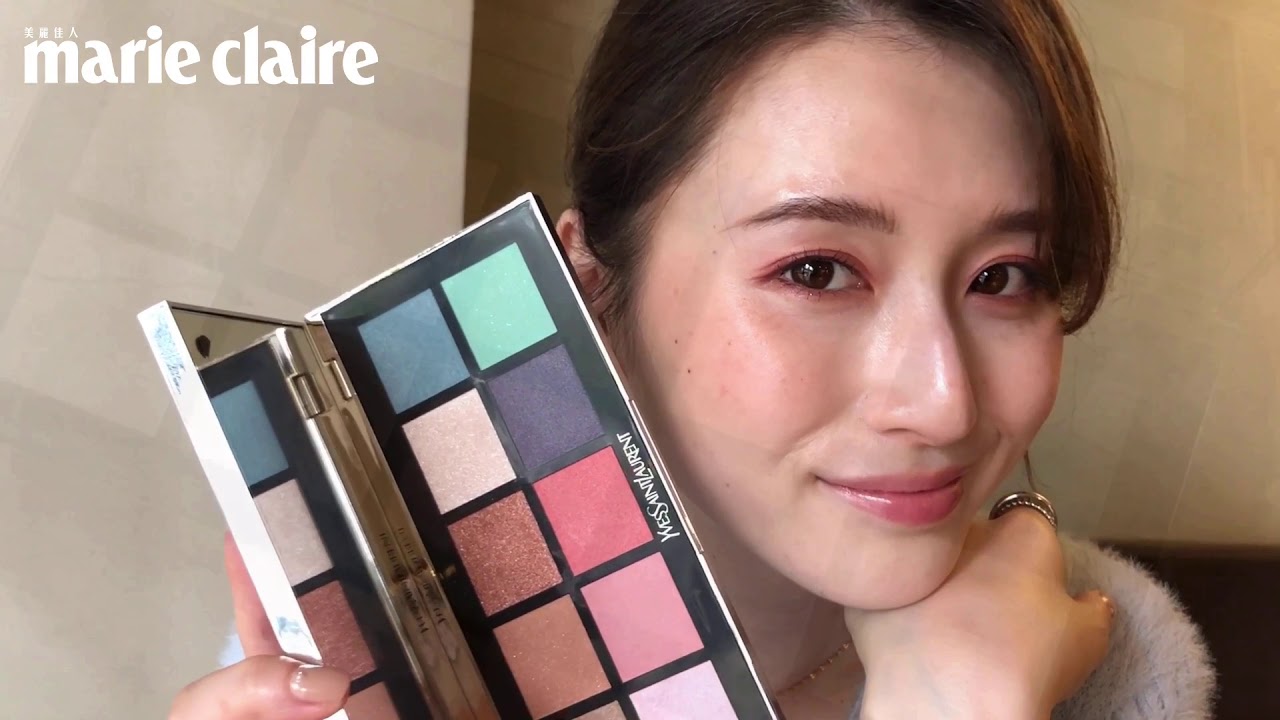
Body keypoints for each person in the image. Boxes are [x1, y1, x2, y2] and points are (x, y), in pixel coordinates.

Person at [170, 1, 1218, 718]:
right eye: (815, 270)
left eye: (1003, 277)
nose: (942, 403)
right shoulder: (364, 665)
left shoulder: (1115, 668)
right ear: (589, 283)